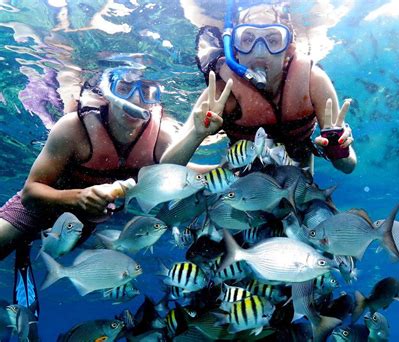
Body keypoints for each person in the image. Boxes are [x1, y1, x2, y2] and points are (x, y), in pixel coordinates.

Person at [0, 65, 232, 314]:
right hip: (39, 207)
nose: (134, 99)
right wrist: (78, 197)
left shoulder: (160, 136)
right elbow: (31, 192)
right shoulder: (73, 128)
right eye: (124, 87)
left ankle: (27, 249)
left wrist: (206, 144)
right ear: (106, 91)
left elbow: (170, 174)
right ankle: (24, 245)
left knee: (49, 248)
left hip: (82, 225)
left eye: (146, 91)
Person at [185, 3, 357, 174]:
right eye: (248, 39)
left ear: (289, 50)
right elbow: (169, 162)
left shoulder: (314, 81)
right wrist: (197, 136)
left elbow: (348, 166)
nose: (260, 52)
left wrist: (337, 151)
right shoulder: (222, 92)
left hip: (299, 182)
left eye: (273, 40)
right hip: (243, 184)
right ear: (235, 49)